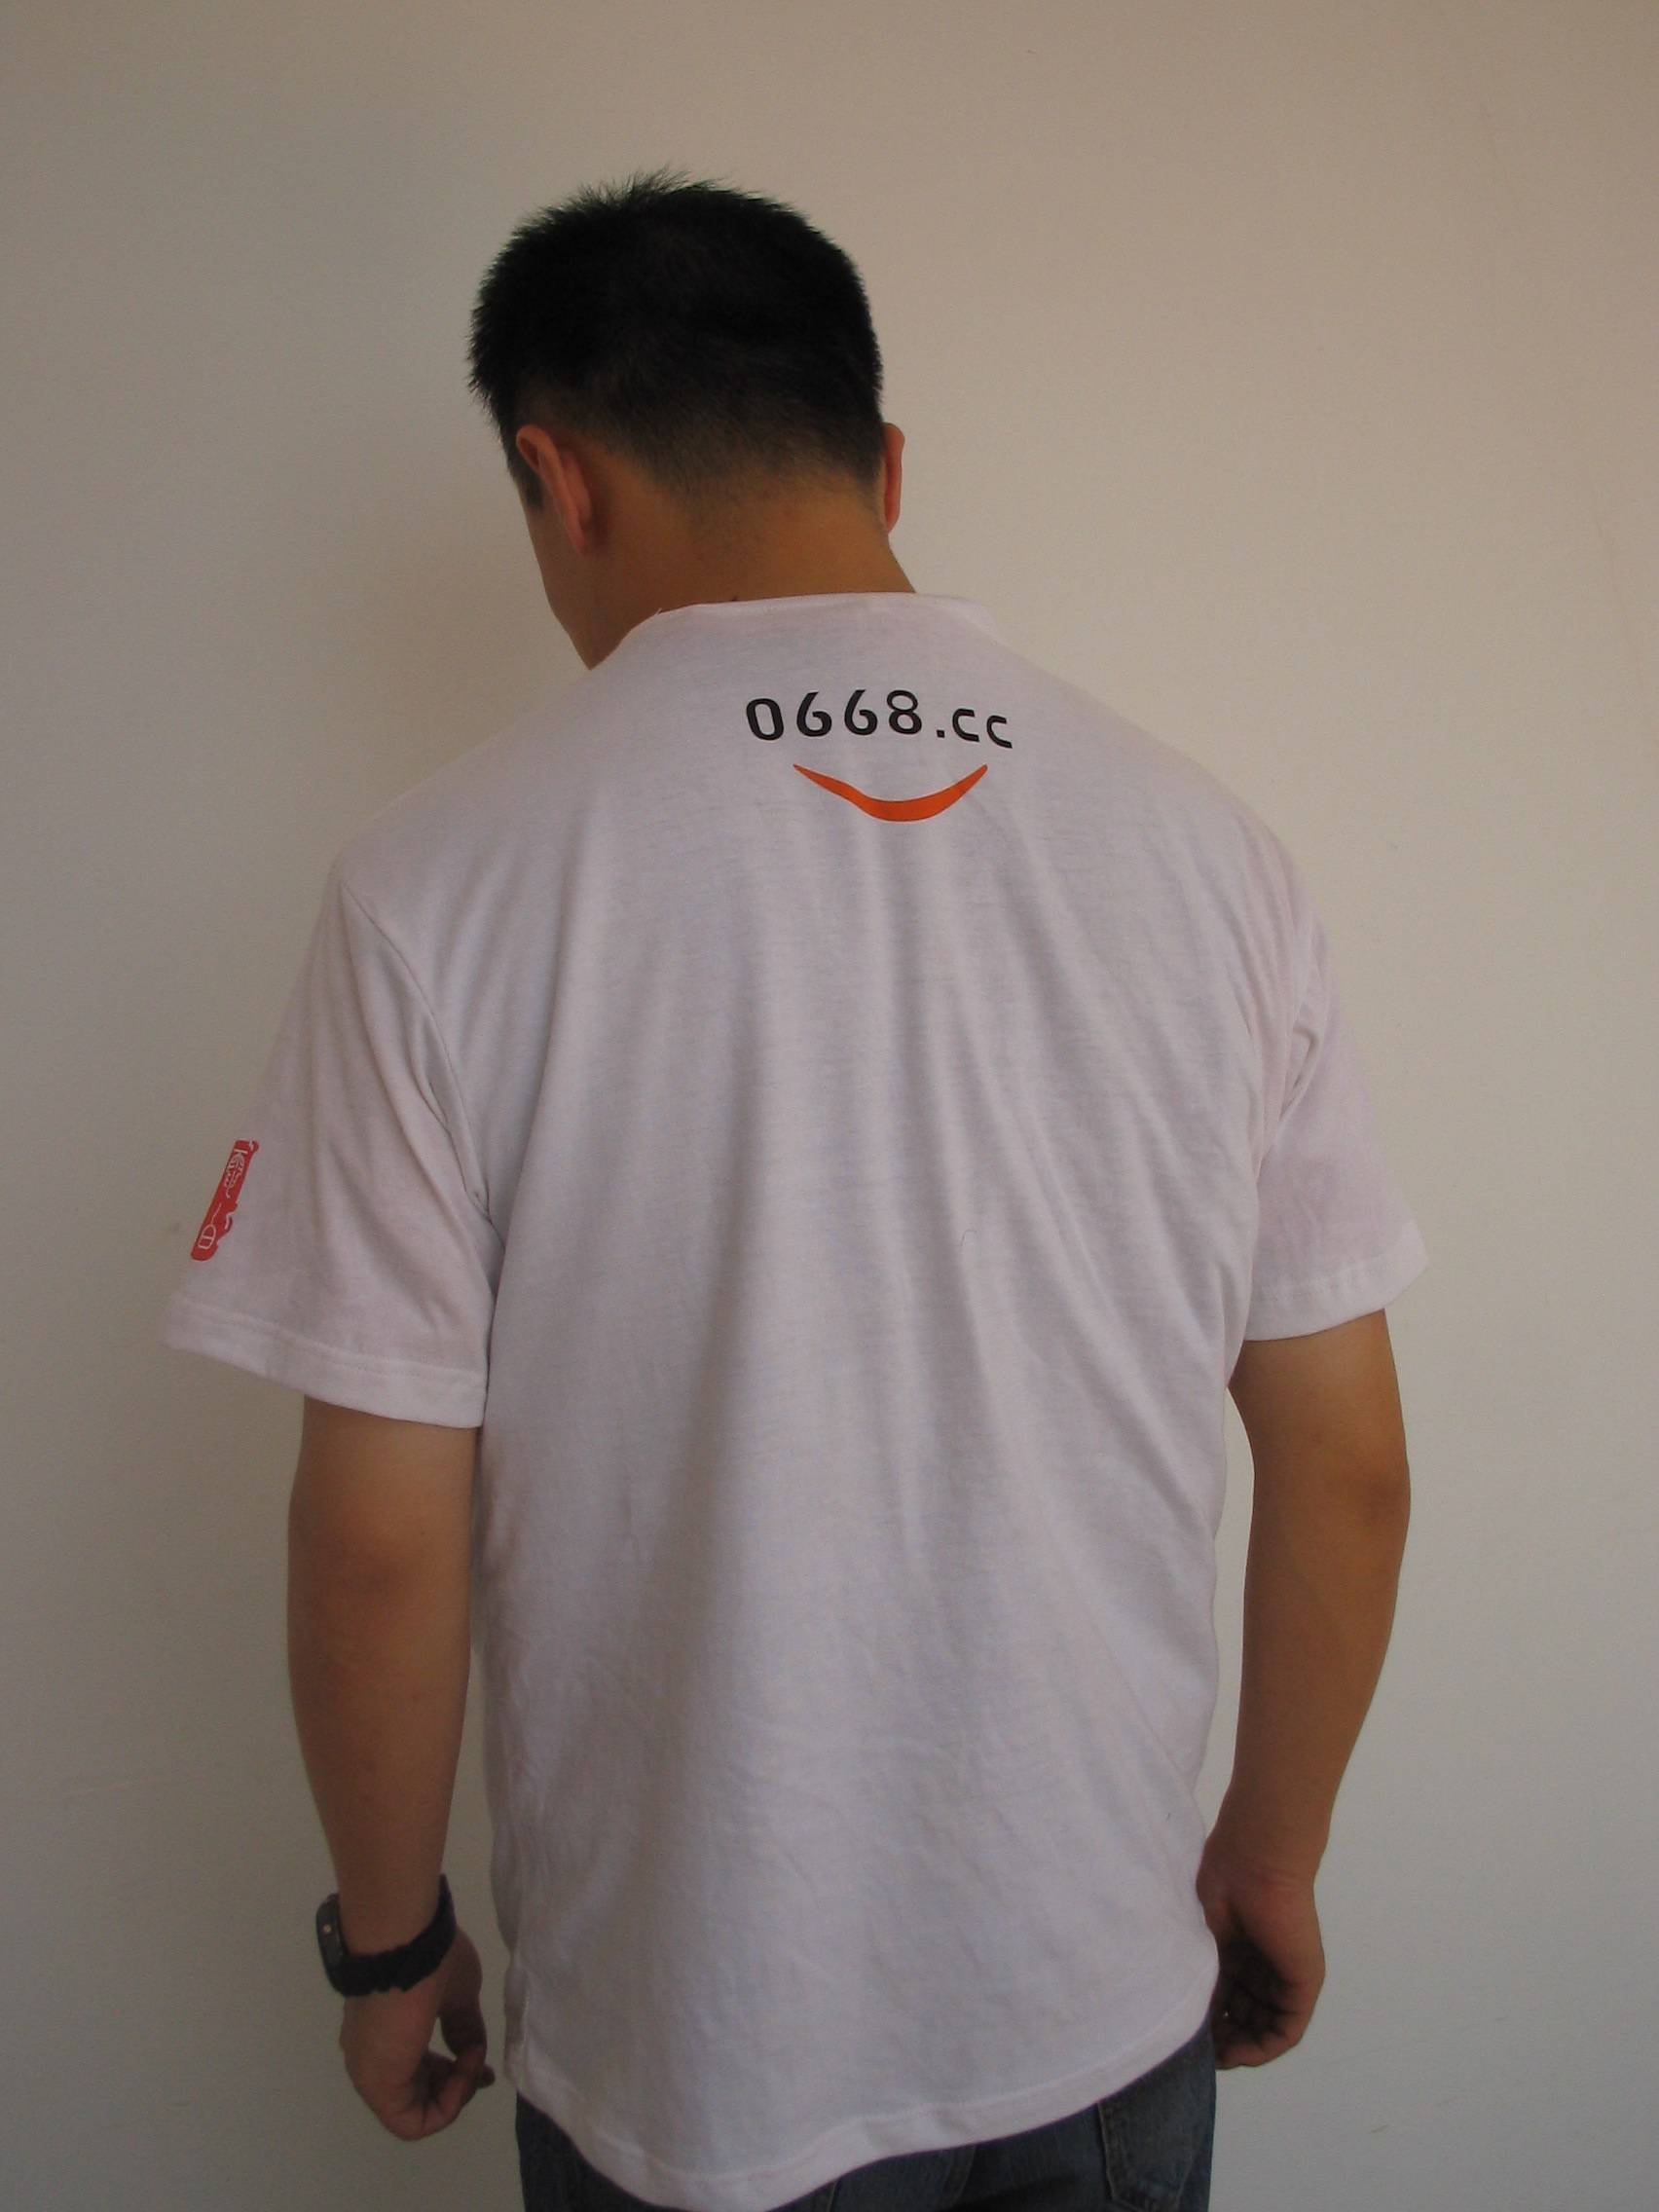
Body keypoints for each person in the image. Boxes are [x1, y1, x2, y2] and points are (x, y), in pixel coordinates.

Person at [159, 168, 1426, 2212]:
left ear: (557, 480)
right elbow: (1348, 1461)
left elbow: (380, 1540)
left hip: (702, 2060)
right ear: (888, 460)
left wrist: (390, 1945)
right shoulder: (1216, 859)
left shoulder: (434, 888)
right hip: (1106, 2012)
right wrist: (1269, 1858)